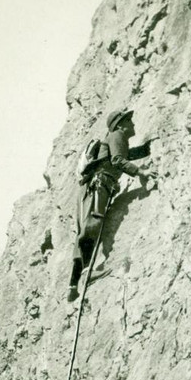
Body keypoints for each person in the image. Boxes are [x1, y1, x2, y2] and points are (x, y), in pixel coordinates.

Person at [69, 107, 153, 301]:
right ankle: (87, 274)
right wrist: (141, 172)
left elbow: (124, 155)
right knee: (93, 224)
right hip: (99, 186)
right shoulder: (116, 135)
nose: (133, 124)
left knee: (85, 230)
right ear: (121, 125)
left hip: (92, 187)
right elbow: (117, 159)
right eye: (129, 121)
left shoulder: (114, 139)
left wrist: (148, 148)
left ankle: (73, 285)